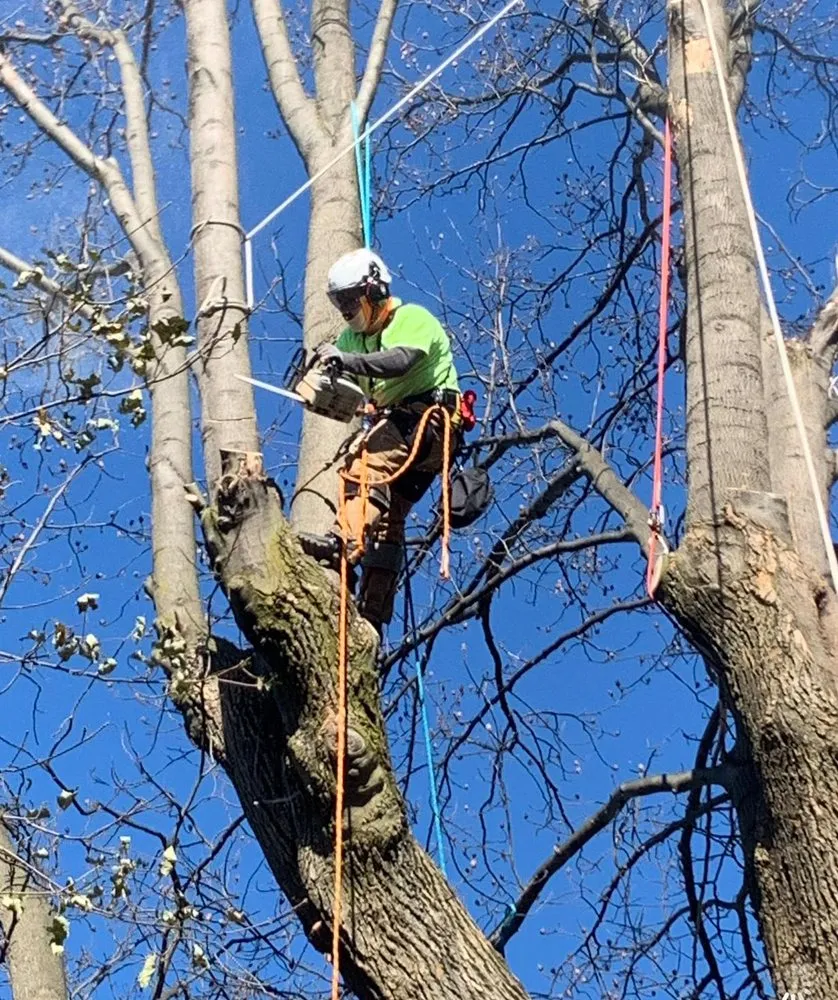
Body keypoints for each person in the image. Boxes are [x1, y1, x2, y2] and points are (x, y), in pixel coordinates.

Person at [299, 248, 461, 631]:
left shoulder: (412, 318)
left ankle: (342, 543)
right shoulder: (352, 339)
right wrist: (323, 383)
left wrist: (345, 362)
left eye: (350, 299)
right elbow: (347, 380)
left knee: (363, 466)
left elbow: (399, 361)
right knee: (388, 520)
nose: (345, 309)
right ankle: (372, 613)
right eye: (339, 302)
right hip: (404, 431)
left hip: (428, 421)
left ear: (373, 291)